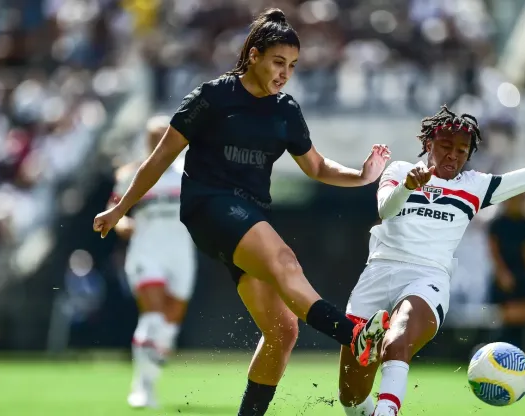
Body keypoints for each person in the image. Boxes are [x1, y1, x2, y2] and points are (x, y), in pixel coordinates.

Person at [92, 8, 391, 416]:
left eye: (293, 65)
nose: (285, 73)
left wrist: (362, 175)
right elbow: (160, 158)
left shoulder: (286, 110)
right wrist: (121, 208)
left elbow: (317, 167)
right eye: (278, 62)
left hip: (245, 216)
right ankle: (352, 333)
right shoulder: (211, 97)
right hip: (207, 207)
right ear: (253, 55)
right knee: (285, 258)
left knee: (282, 331)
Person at [338, 88, 525, 416]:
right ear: (429, 144)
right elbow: (386, 210)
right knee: (352, 399)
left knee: (396, 342)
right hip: (377, 276)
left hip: (426, 279)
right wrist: (407, 187)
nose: (454, 156)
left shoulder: (475, 186)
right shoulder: (400, 170)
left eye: (462, 150)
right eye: (446, 146)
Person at [109, 116, 195, 409]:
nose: (161, 142)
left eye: (166, 136)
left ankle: (149, 379)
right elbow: (115, 209)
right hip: (147, 252)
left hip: (181, 255)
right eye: (155, 137)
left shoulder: (190, 173)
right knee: (153, 318)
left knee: (168, 330)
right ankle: (142, 388)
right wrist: (121, 225)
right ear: (147, 141)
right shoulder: (132, 174)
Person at [487, 192, 525, 349]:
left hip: (520, 273)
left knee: (523, 318)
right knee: (507, 318)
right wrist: (502, 273)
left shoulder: (524, 223)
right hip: (505, 274)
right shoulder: (497, 223)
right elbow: (493, 251)